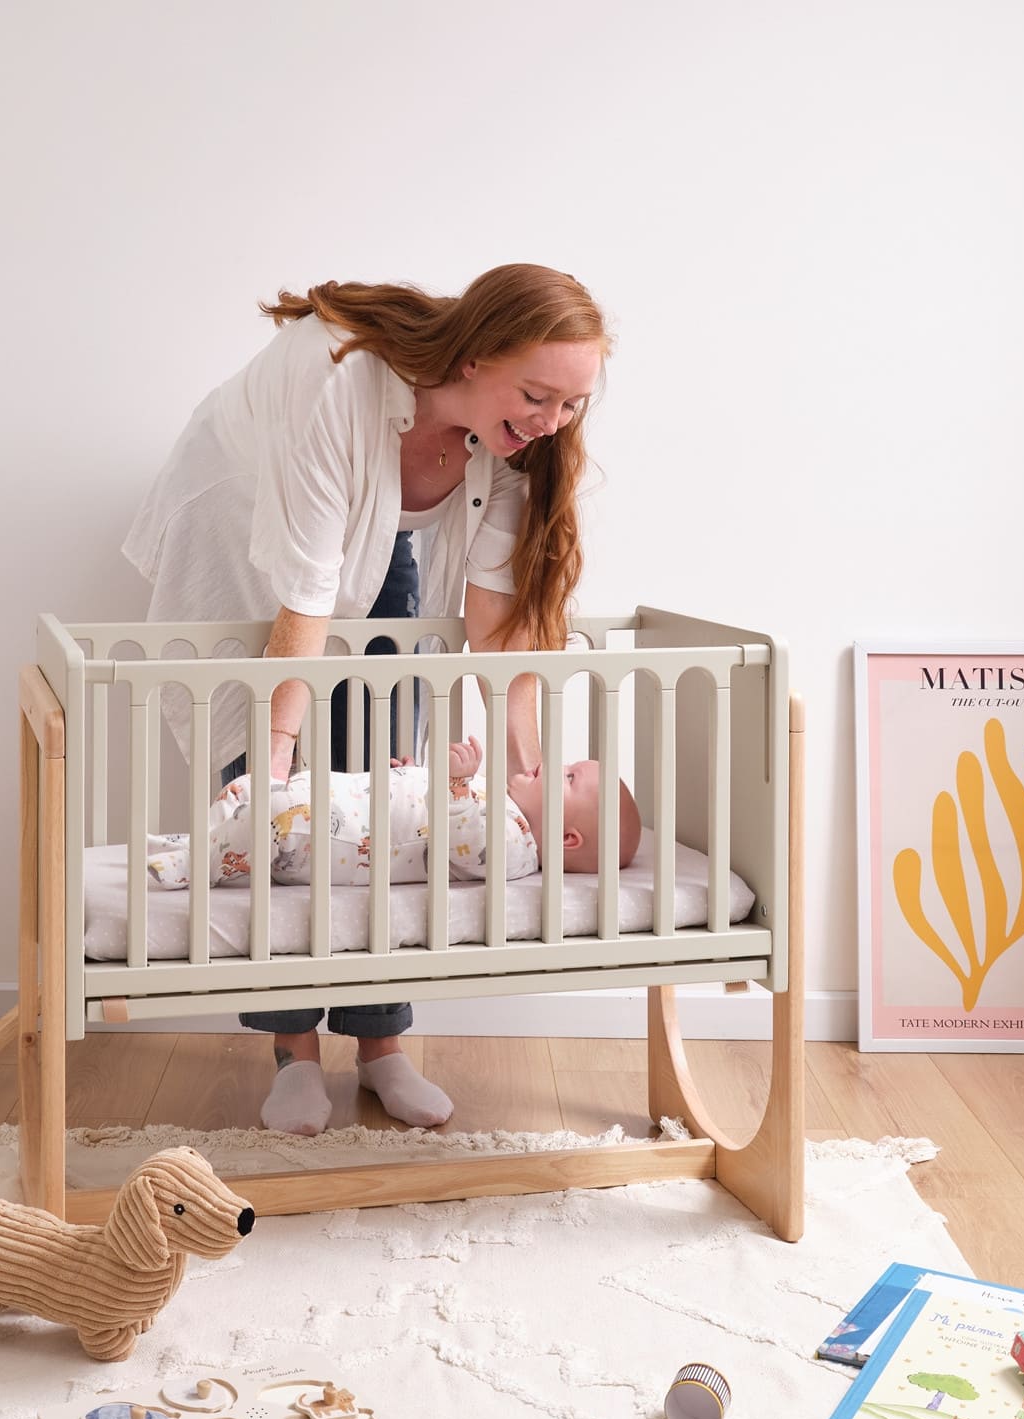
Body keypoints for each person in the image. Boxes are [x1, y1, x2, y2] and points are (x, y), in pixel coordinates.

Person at [123, 264, 631, 1137]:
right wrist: (273, 760)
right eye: (537, 396)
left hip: (375, 531)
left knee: (387, 808)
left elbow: (497, 626)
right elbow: (304, 602)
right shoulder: (339, 378)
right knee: (287, 817)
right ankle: (293, 1051)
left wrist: (533, 778)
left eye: (571, 405)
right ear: (474, 357)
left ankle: (380, 1043)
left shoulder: (516, 443)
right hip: (250, 520)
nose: (552, 423)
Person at [146, 735, 641, 890]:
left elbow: (462, 838)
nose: (552, 765)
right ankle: (202, 840)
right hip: (345, 804)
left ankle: (196, 865)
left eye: (569, 777)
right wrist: (412, 776)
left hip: (339, 839)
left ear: (568, 839)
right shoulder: (505, 806)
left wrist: (455, 783)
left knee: (276, 813)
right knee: (253, 790)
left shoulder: (516, 847)